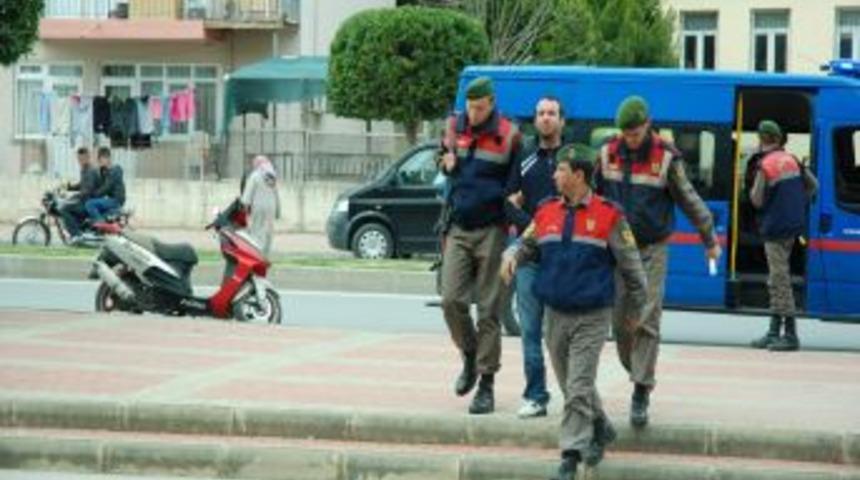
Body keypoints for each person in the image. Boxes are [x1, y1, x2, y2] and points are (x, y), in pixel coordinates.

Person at [501, 144, 647, 480]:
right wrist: (511, 256)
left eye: (560, 170)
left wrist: (637, 310)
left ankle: (570, 454)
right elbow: (526, 244)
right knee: (571, 384)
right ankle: (601, 426)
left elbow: (633, 267)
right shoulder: (546, 210)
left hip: (593, 316)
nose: (553, 175)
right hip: (555, 313)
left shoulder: (611, 214)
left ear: (578, 175)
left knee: (579, 386)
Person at [595, 96, 721, 428]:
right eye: (625, 133)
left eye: (635, 133)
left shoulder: (666, 158)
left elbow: (690, 199)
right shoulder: (607, 152)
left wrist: (709, 239)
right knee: (621, 324)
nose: (630, 139)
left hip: (652, 248)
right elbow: (591, 198)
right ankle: (636, 369)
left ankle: (641, 390)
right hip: (618, 250)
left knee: (647, 318)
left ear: (648, 125)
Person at [438, 76, 522, 415]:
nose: (473, 114)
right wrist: (445, 163)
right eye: (470, 108)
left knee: (488, 309)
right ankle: (470, 355)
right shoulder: (452, 125)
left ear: (491, 104)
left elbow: (515, 184)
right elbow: (442, 157)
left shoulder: (509, 135)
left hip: (492, 228)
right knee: (450, 300)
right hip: (458, 225)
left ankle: (486, 383)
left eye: (480, 108)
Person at [504, 96, 566, 419]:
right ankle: (536, 395)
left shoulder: (572, 157)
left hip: (563, 258)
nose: (545, 118)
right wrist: (532, 225)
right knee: (530, 329)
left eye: (551, 113)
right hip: (529, 256)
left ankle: (574, 394)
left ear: (562, 120)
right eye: (541, 113)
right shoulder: (524, 156)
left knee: (561, 333)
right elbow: (509, 201)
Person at [749, 120, 818, 352]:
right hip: (792, 226)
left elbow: (756, 200)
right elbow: (814, 186)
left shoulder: (765, 165)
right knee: (777, 277)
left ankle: (790, 334)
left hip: (774, 228)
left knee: (779, 280)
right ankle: (772, 331)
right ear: (778, 139)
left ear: (762, 139)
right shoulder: (793, 160)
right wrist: (797, 202)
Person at [241, 155, 281, 259]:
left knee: (256, 232)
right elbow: (276, 195)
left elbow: (247, 194)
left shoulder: (255, 176)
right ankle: (265, 256)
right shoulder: (272, 176)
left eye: (254, 164)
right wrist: (278, 211)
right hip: (271, 209)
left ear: (258, 164)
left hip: (258, 208)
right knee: (268, 232)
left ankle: (256, 256)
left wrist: (244, 208)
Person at [60, 147, 101, 243]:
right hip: (85, 200)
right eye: (79, 159)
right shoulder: (85, 169)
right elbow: (82, 185)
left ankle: (76, 235)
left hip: (88, 202)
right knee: (69, 204)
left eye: (82, 159)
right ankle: (77, 230)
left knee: (64, 208)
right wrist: (69, 187)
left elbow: (88, 190)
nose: (80, 161)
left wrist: (76, 196)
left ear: (88, 157)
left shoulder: (91, 170)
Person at [85, 147, 125, 224]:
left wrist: (93, 195)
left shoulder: (115, 170)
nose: (99, 162)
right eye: (99, 160)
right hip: (112, 199)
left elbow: (106, 188)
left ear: (108, 158)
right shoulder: (106, 171)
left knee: (89, 204)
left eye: (101, 159)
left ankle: (101, 224)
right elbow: (100, 185)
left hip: (116, 200)